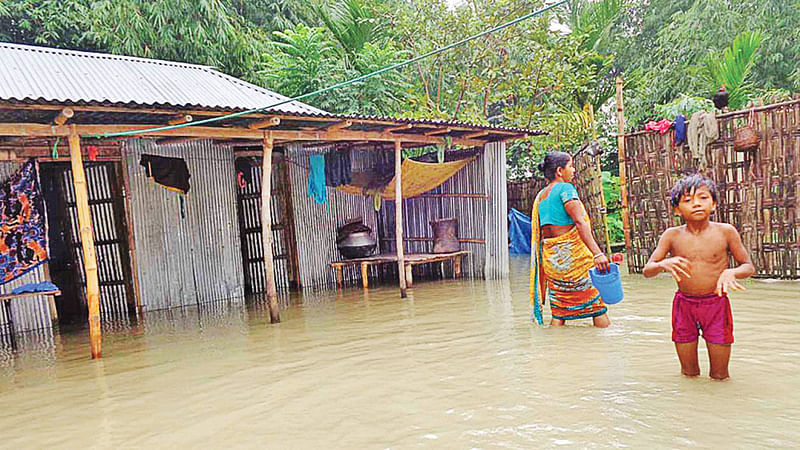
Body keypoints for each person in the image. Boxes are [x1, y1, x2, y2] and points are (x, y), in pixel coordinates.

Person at [643, 174, 754, 380]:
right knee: (689, 373)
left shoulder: (726, 232)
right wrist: (662, 264)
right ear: (677, 209)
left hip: (716, 304)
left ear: (714, 204)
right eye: (687, 200)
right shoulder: (672, 235)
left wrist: (732, 271)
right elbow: (647, 270)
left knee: (720, 376)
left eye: (703, 198)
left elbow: (748, 267)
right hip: (684, 305)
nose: (696, 204)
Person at [529, 151, 611, 327]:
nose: (573, 170)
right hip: (574, 262)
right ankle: (606, 349)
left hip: (553, 263)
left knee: (559, 311)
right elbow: (580, 222)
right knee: (597, 306)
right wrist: (597, 254)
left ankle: (554, 351)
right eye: (571, 166)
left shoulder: (541, 197)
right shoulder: (565, 189)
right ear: (560, 171)